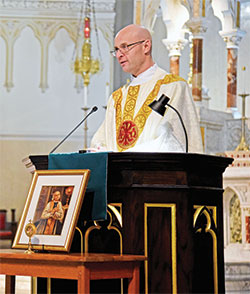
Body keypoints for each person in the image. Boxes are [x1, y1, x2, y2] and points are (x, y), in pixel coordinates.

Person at [91, 24, 203, 153]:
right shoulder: (117, 98)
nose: (119, 55)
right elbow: (101, 141)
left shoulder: (173, 87)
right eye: (116, 50)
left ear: (146, 46)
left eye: (125, 47)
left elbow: (173, 141)